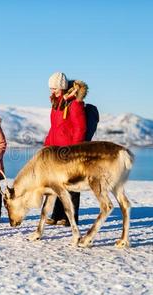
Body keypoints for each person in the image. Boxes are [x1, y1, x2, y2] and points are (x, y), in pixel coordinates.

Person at [44, 72, 88, 226]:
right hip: (57, 151)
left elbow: (80, 128)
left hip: (71, 152)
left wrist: (74, 150)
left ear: (62, 87)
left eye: (54, 88)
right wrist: (47, 145)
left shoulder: (74, 104)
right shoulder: (57, 104)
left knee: (72, 186)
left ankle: (70, 218)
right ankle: (57, 215)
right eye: (50, 88)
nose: (52, 91)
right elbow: (54, 128)